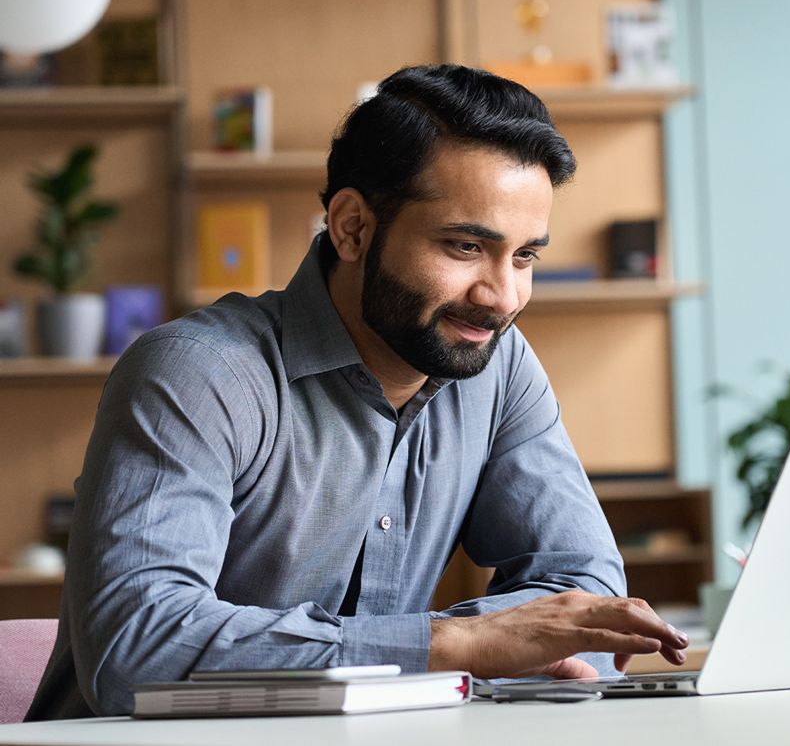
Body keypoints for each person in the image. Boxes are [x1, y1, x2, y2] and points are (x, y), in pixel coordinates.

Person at [27, 64, 688, 719]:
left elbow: (586, 589)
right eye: (464, 246)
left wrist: (495, 646)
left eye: (524, 257)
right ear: (351, 228)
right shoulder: (197, 374)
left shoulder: (499, 365)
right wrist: (456, 644)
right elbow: (136, 651)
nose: (502, 297)